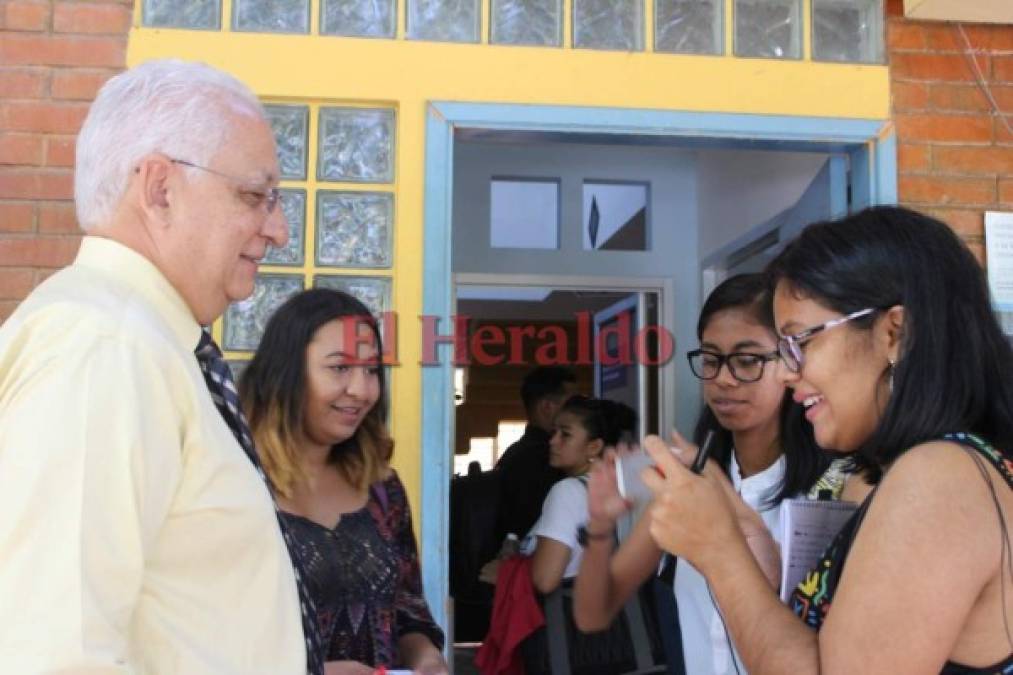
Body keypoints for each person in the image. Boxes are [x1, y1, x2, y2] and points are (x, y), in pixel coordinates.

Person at [0, 60, 314, 673]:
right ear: (159, 189)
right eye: (255, 196)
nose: (276, 230)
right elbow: (54, 653)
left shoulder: (135, 340)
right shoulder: (106, 346)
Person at [644, 206, 1013, 674]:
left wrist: (721, 552)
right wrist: (763, 564)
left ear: (894, 333)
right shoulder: (922, 470)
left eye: (802, 342)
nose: (791, 372)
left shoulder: (940, 478)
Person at [573, 274, 861, 675]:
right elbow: (593, 614)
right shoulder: (685, 483)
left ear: (791, 362)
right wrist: (600, 527)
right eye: (711, 359)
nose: (724, 379)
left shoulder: (840, 485)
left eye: (747, 360)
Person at [240, 288, 448, 675]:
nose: (362, 390)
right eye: (340, 368)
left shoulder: (384, 489)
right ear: (285, 372)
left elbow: (407, 608)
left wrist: (425, 656)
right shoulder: (233, 481)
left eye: (372, 370)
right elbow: (198, 630)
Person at [494, 366, 578, 545]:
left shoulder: (513, 453)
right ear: (547, 407)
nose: (578, 411)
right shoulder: (547, 460)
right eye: (572, 404)